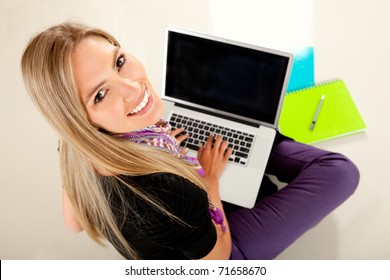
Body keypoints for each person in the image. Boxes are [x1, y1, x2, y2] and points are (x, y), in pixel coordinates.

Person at [21, 21, 360, 260]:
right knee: (340, 172)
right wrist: (209, 180)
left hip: (176, 239)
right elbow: (219, 258)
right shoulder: (168, 192)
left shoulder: (72, 146)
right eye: (100, 94)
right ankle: (256, 136)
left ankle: (252, 138)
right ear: (77, 121)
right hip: (217, 256)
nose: (133, 88)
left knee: (254, 167)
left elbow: (74, 223)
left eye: (119, 62)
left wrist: (157, 142)